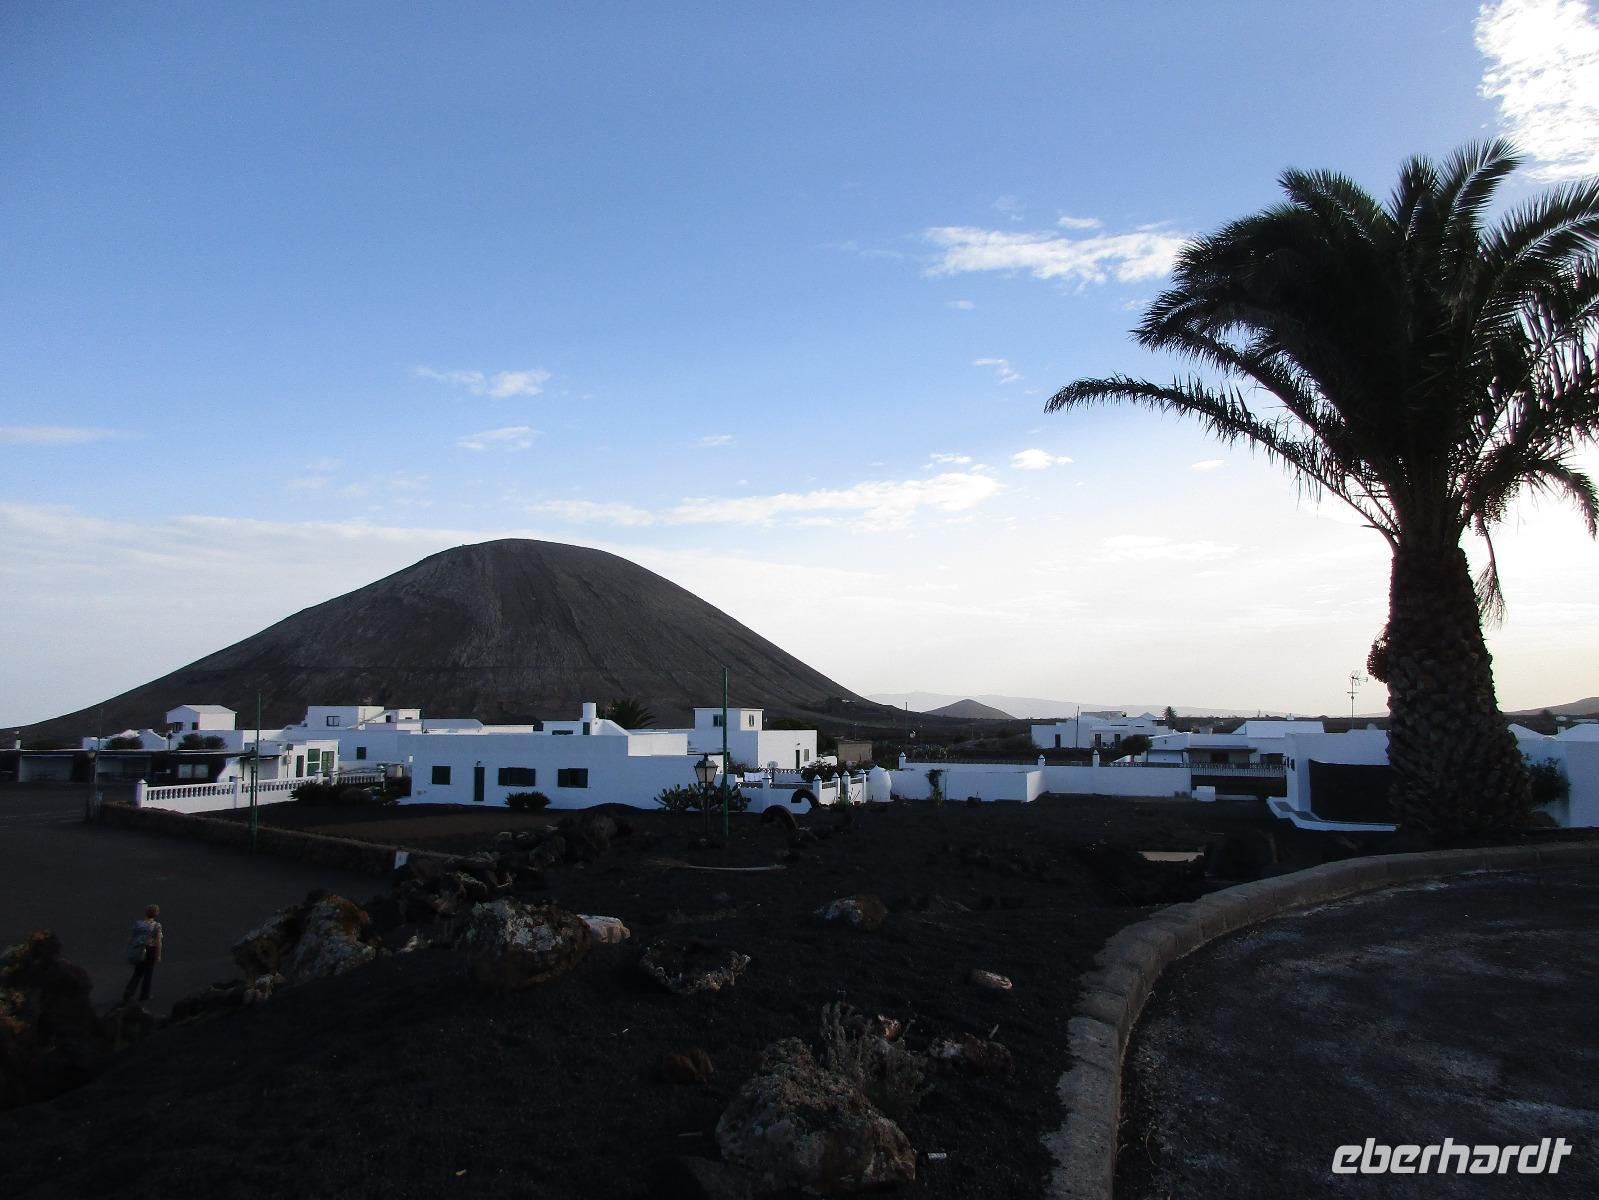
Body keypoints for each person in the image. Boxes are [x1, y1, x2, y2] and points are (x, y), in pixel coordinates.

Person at [122, 904, 163, 1005]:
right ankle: (144, 994)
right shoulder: (156, 925)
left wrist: (130, 948)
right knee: (148, 972)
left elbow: (132, 937)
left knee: (138, 972)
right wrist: (158, 955)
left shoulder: (138, 924)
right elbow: (158, 941)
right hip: (150, 950)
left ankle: (129, 992)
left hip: (139, 949)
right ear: (156, 913)